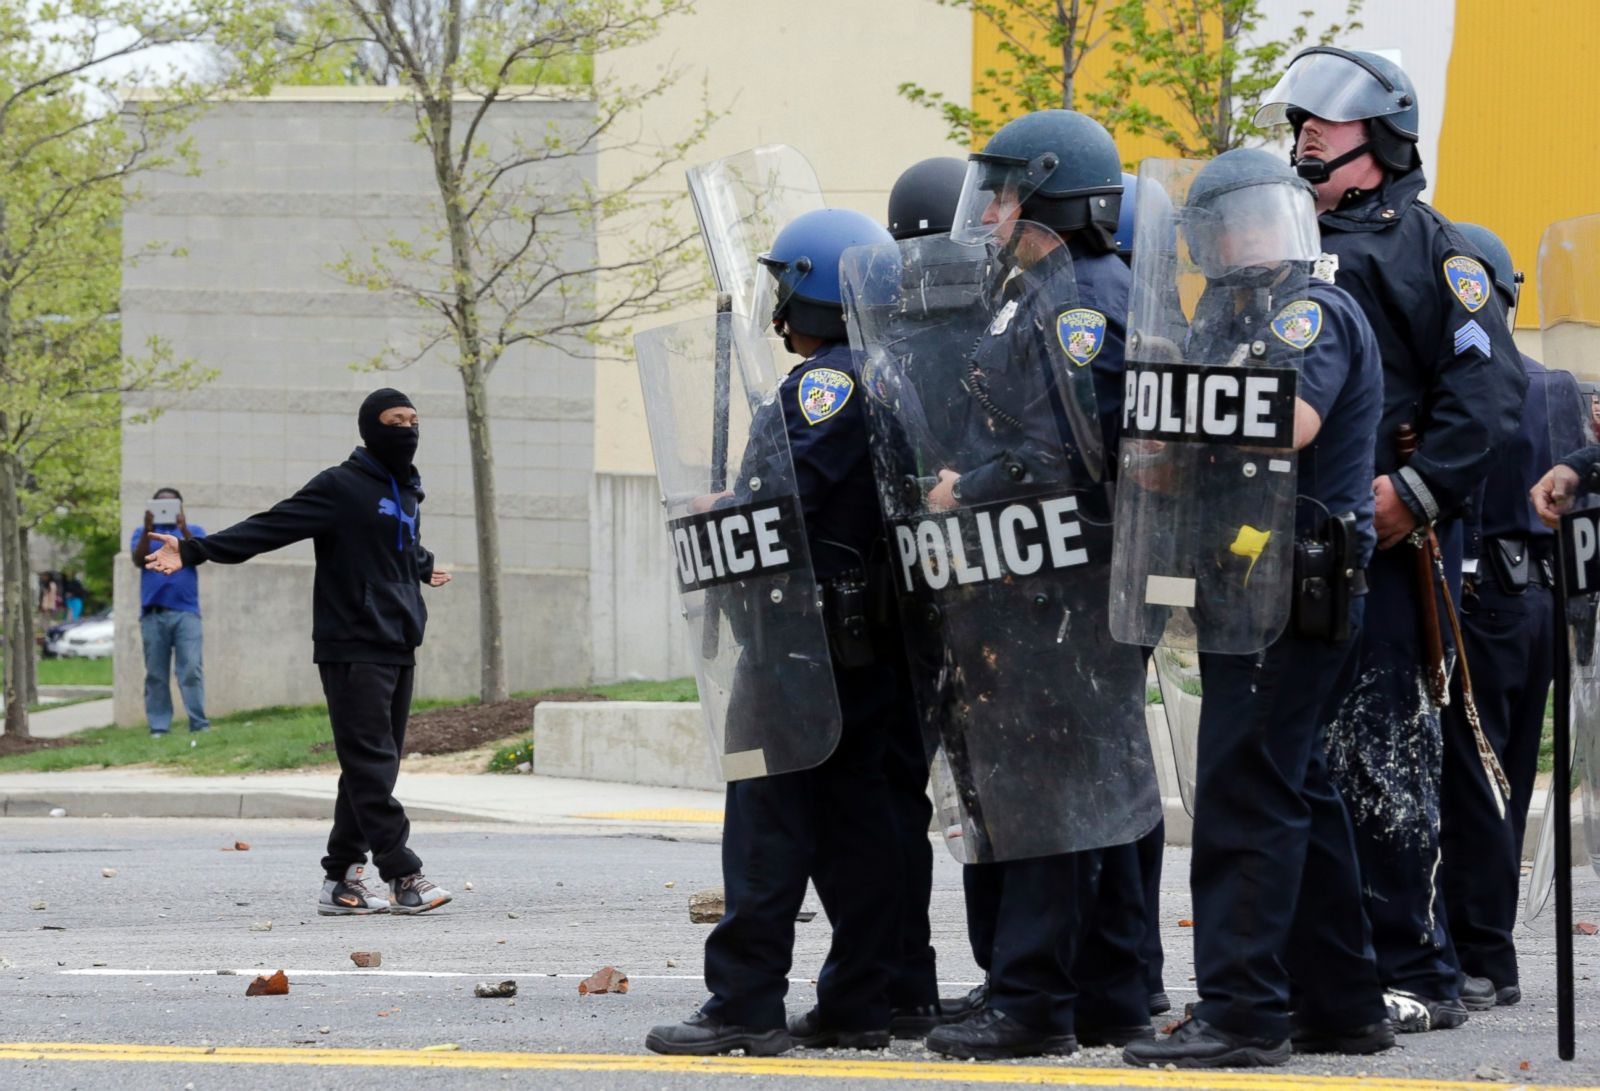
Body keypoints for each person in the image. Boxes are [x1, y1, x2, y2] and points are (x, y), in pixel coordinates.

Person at [1254, 47, 1527, 1031]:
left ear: (1382, 133)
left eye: (1323, 122)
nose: (1305, 135)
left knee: (1381, 764)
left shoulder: (1426, 247)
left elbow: (1487, 393)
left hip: (1373, 555)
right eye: (1299, 124)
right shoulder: (1283, 242)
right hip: (1276, 552)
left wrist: (1410, 490)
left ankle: (1415, 969)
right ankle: (1313, 969)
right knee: (1297, 770)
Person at [1118, 149, 1392, 1067]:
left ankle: (1242, 1011)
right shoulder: (1224, 316)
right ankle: (1343, 1002)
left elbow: (1287, 422)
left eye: (1219, 223)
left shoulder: (1310, 310)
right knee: (1291, 789)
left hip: (1292, 593)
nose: (1214, 241)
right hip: (1241, 587)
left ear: (1251, 222)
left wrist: (1181, 412)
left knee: (1245, 791)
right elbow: (1184, 446)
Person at [907, 109, 1160, 1061]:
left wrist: (959, 488)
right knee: (1093, 790)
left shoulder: (1080, 299)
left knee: (1048, 793)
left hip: (1062, 584)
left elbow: (1064, 453)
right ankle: (1108, 992)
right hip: (1048, 579)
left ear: (1051, 193)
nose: (993, 208)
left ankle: (1035, 1002)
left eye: (1007, 190)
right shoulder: (1055, 288)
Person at [645, 208, 914, 1057]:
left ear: (812, 289)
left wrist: (715, 508)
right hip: (864, 641)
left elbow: (779, 495)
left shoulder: (824, 383)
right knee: (856, 826)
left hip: (801, 639)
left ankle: (745, 1001)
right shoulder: (893, 373)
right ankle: (863, 998)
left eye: (786, 283)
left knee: (767, 820)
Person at [144, 388, 453, 917]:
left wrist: (422, 566)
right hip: (350, 640)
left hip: (399, 637)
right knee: (371, 761)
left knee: (372, 765)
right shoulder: (339, 485)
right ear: (369, 428)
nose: (406, 429)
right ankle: (402, 872)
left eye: (413, 420)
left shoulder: (406, 490)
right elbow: (271, 526)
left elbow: (396, 543)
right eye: (394, 420)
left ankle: (342, 882)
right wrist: (194, 549)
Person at [1439, 224, 1581, 1012]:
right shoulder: (1554, 383)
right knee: (1509, 777)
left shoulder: (1472, 385)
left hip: (1481, 597)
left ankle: (1481, 957)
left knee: (1473, 784)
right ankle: (1493, 955)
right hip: (1538, 603)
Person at [879, 154, 968, 1039]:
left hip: (914, 598)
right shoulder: (993, 327)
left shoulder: (892, 345)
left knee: (902, 799)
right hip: (985, 593)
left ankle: (907, 978)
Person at [131, 488, 211, 736]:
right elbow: (138, 559)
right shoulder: (142, 533)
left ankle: (198, 725)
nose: (165, 508)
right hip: (153, 614)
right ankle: (159, 727)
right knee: (156, 674)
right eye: (159, 504)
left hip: (186, 613)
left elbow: (200, 555)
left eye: (171, 504)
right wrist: (147, 528)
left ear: (181, 507)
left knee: (190, 670)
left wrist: (184, 528)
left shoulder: (193, 532)